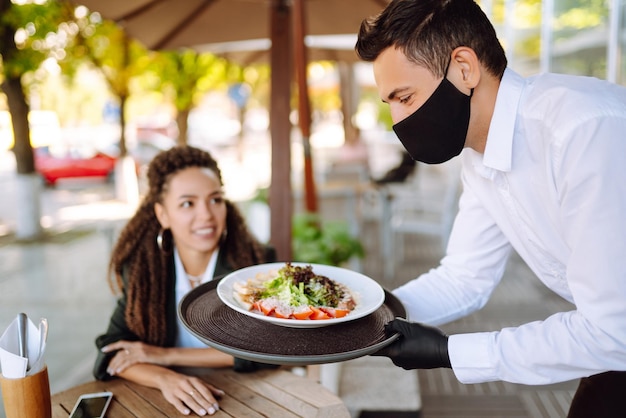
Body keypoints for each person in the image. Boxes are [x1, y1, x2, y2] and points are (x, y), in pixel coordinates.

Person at [355, 0, 626, 416]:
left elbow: (612, 330)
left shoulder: (582, 132)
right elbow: (466, 278)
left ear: (464, 68)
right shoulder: (480, 157)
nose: (398, 120)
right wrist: (364, 312)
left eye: (404, 97)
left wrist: (450, 352)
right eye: (389, 103)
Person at [93, 145, 276, 416]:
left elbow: (269, 350)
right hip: (171, 405)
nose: (206, 215)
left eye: (215, 199)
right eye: (187, 203)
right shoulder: (145, 273)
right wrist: (164, 378)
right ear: (162, 215)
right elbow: (111, 353)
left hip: (249, 398)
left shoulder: (255, 265)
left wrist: (163, 356)